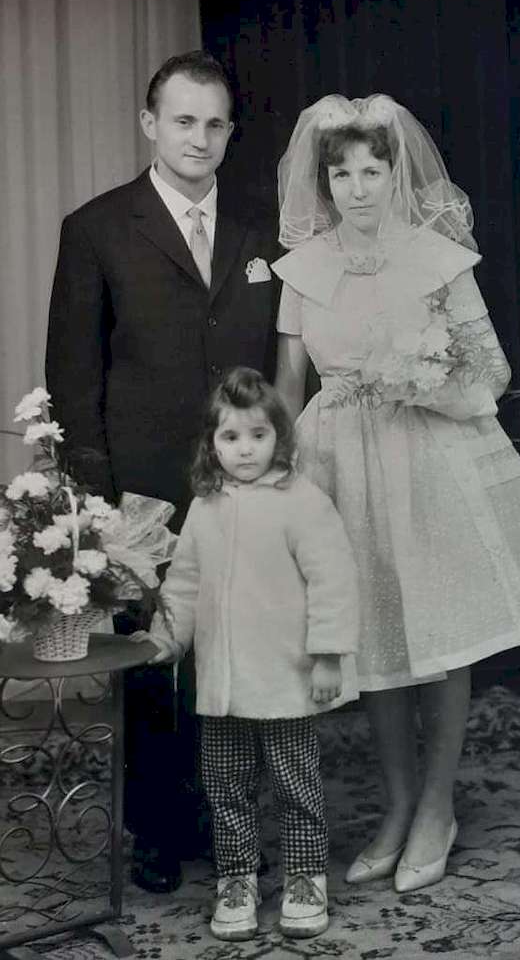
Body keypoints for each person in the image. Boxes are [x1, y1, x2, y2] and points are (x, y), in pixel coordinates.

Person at [273, 94, 520, 894]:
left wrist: (427, 382)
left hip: (428, 457)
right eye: (343, 173)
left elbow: (491, 370)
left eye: (373, 170)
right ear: (324, 180)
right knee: (372, 640)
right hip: (338, 462)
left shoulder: (436, 256)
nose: (359, 187)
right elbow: (287, 384)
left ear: (395, 172)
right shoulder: (302, 266)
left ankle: (438, 805)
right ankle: (399, 807)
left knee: (437, 635)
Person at [45, 51, 280, 893]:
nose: (201, 138)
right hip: (139, 490)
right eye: (184, 120)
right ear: (151, 124)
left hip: (245, 483)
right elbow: (73, 378)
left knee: (235, 656)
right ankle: (156, 827)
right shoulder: (98, 228)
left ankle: (231, 824)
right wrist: (99, 504)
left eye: (216, 122)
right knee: (153, 659)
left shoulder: (263, 231)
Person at [137, 366, 360, 941]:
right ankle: (236, 879)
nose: (244, 450)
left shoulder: (301, 501)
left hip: (286, 678)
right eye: (230, 437)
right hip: (223, 684)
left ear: (279, 438)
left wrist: (330, 654)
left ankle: (306, 878)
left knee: (295, 785)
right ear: (212, 443)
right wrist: (168, 638)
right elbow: (184, 582)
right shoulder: (206, 505)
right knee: (226, 786)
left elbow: (333, 578)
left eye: (258, 436)